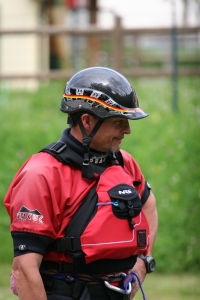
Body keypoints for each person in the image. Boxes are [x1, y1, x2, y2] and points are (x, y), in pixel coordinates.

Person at [4, 67, 158, 300]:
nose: (127, 130)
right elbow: (24, 269)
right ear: (87, 121)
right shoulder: (42, 173)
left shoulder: (124, 162)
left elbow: (149, 205)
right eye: (118, 122)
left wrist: (142, 264)